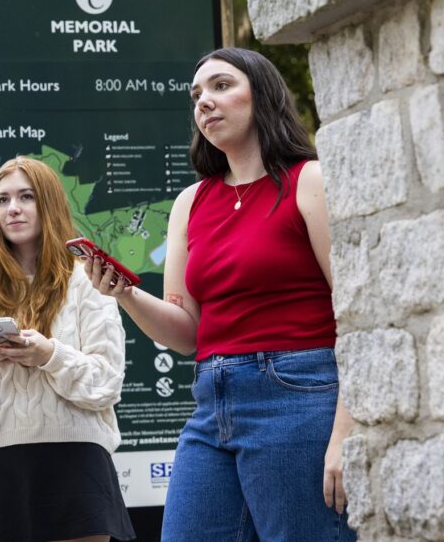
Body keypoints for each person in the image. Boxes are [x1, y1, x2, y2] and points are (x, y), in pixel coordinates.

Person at [86, 47, 355, 541]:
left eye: (221, 86)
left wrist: (345, 432)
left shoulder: (308, 180)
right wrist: (124, 294)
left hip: (298, 398)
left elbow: (357, 315)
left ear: (263, 95)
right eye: (196, 95)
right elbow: (186, 332)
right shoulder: (191, 201)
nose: (204, 102)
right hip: (211, 401)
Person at [0, 157, 135, 542]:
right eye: (3, 200)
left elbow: (107, 383)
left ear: (48, 204)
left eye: (26, 197)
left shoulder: (86, 280)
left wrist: (49, 355)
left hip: (75, 455)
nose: (12, 209)